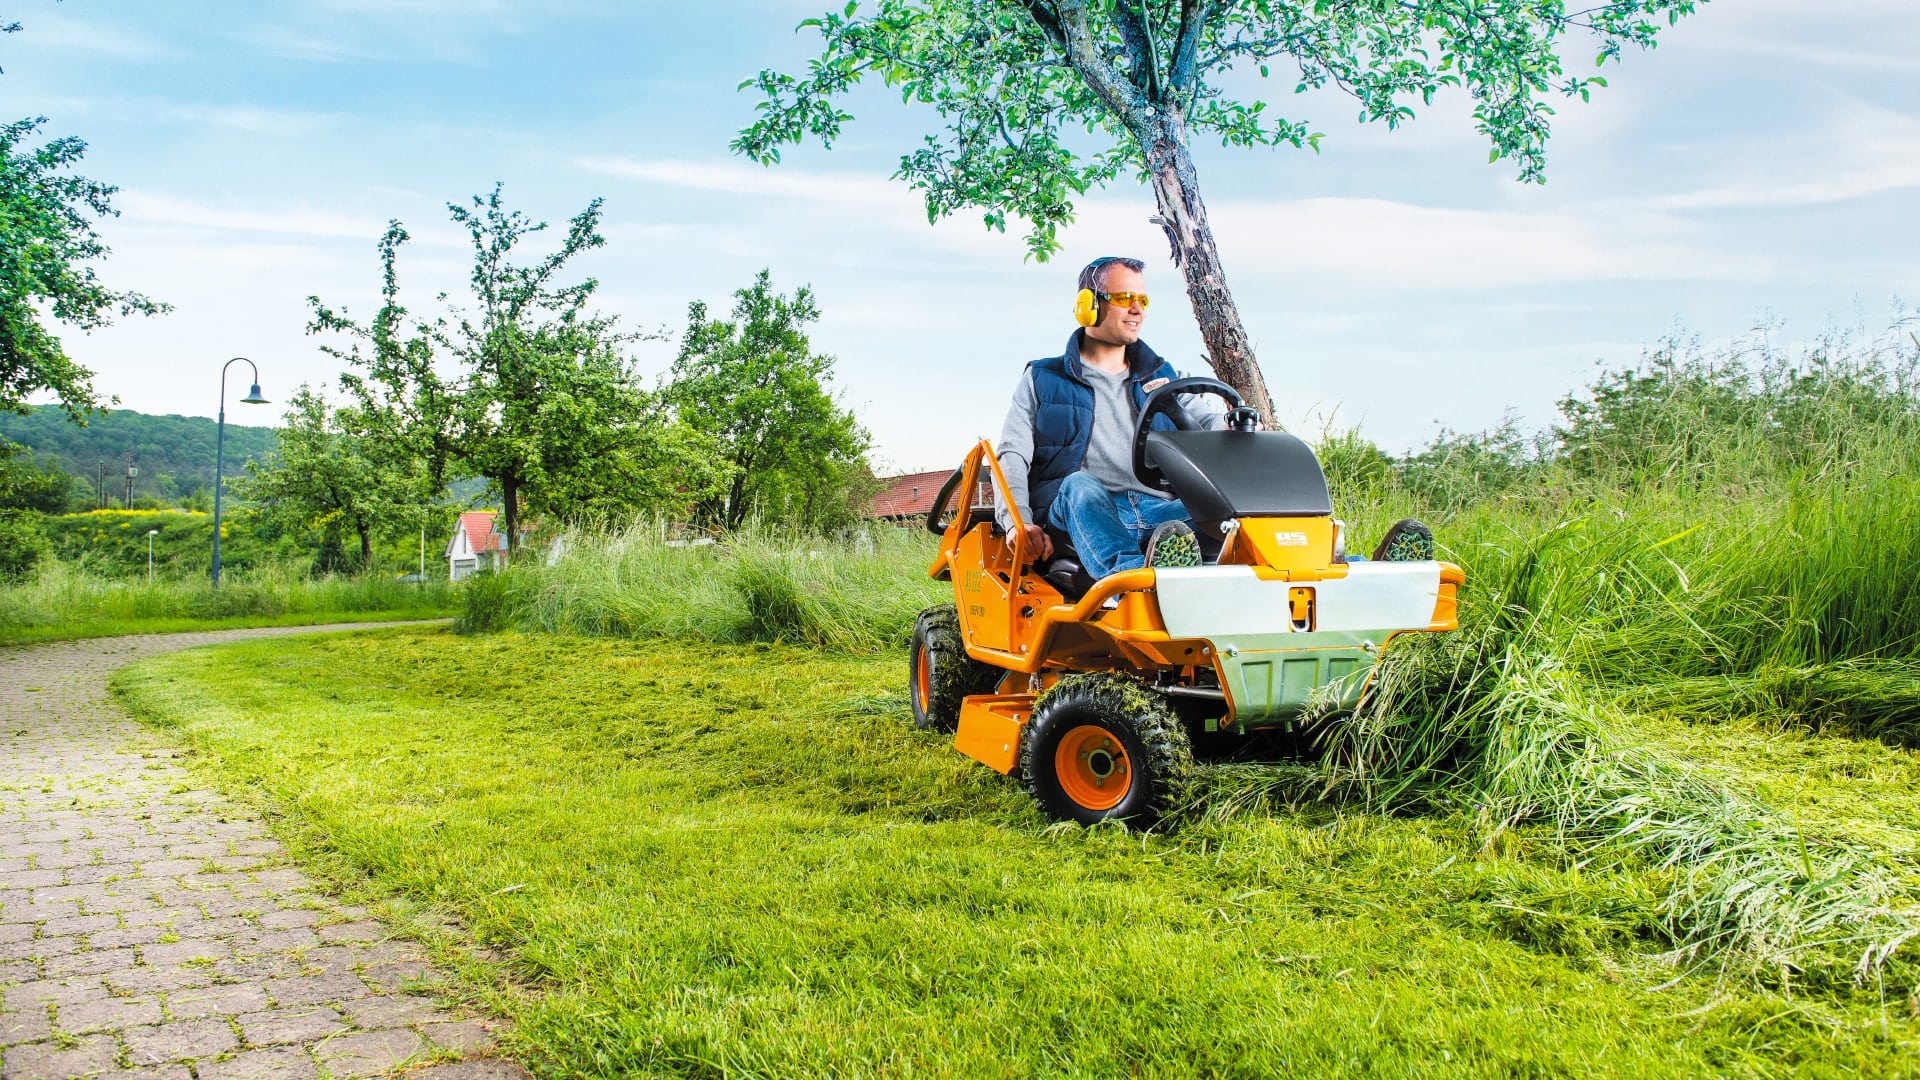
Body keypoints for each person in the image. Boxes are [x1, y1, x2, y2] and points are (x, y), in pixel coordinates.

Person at [992, 256, 1226, 579]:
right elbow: (1012, 455)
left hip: (1160, 511)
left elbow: (1208, 421)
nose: (1137, 309)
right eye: (1124, 298)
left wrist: (1231, 428)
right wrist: (1018, 522)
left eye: (1142, 300)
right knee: (1078, 485)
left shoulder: (1162, 377)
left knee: (1232, 514)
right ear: (1088, 305)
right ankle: (1133, 585)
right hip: (1086, 511)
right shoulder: (1043, 378)